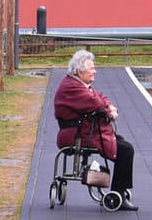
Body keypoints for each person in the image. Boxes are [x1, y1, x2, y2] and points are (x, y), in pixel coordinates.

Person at [55, 49, 139, 211]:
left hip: (85, 131)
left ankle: (120, 190)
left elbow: (100, 97)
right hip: (77, 135)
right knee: (125, 150)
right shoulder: (73, 88)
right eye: (91, 69)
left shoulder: (78, 84)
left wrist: (107, 107)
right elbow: (96, 103)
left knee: (121, 142)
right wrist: (109, 110)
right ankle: (118, 193)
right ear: (80, 71)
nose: (95, 71)